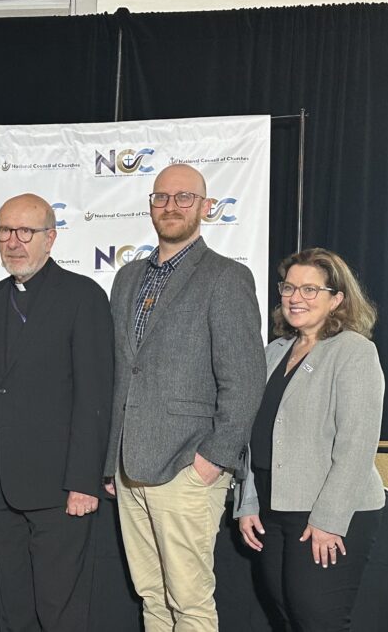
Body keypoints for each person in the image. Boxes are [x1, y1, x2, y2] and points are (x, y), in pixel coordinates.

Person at [101, 163, 266, 631]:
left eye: (183, 197)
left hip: (186, 467)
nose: (170, 206)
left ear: (205, 207)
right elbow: (123, 373)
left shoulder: (225, 277)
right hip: (129, 468)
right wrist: (111, 461)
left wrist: (213, 460)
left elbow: (245, 379)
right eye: (161, 197)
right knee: (152, 596)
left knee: (189, 601)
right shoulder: (127, 277)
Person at [0, 193, 114, 631]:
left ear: (50, 238)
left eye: (26, 231)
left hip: (60, 489)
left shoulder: (83, 296)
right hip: (0, 489)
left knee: (60, 612)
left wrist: (84, 482)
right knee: (12, 609)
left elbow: (95, 396)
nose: (13, 242)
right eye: (5, 230)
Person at [235, 248, 384, 631]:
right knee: (285, 614)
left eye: (309, 289)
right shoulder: (274, 351)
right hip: (271, 506)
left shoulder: (354, 351)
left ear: (337, 299)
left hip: (324, 510)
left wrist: (329, 521)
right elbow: (252, 434)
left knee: (317, 618)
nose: (295, 297)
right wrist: (247, 501)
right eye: (288, 287)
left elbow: (357, 446)